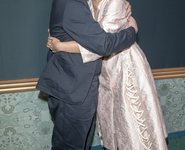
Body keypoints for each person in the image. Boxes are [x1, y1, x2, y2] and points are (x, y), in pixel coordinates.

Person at [46, 0, 168, 149]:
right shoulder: (83, 3)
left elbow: (103, 44)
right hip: (100, 70)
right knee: (110, 119)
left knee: (131, 121)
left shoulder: (115, 2)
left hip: (123, 67)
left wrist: (62, 46)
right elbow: (95, 41)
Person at [37, 0, 138, 149]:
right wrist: (132, 30)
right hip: (74, 86)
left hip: (73, 82)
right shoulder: (73, 4)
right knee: (70, 144)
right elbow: (104, 44)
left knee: (80, 141)